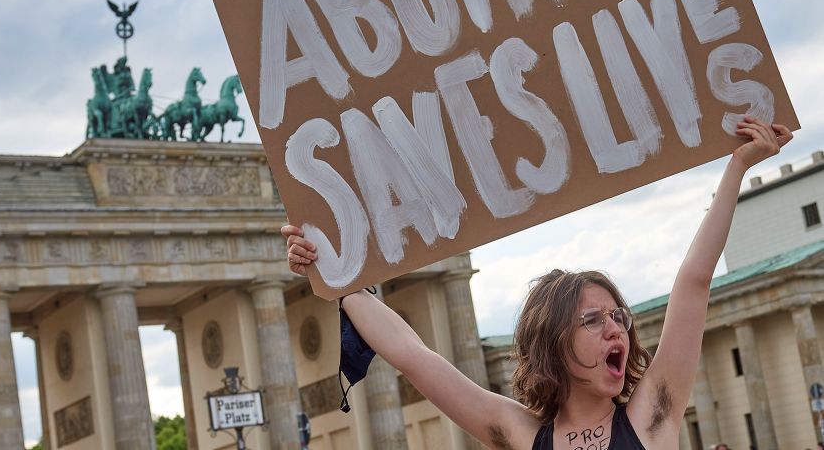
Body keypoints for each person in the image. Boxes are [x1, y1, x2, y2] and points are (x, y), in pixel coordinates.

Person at [283, 117, 792, 449]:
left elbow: (694, 283)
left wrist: (738, 167)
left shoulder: (652, 415)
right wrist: (331, 273)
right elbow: (414, 356)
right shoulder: (522, 435)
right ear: (553, 345)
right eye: (592, 320)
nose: (616, 328)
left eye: (618, 315)